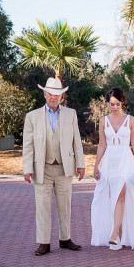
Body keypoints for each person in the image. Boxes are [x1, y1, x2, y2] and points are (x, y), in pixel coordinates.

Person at [22, 77, 85, 256]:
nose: (53, 97)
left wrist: (80, 165)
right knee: (42, 207)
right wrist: (28, 168)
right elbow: (27, 145)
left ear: (61, 96)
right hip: (43, 169)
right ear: (44, 94)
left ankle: (65, 239)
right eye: (50, 93)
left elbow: (76, 142)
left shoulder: (70, 114)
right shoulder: (32, 117)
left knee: (65, 206)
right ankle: (44, 242)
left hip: (65, 168)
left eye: (57, 94)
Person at [90, 87, 134, 250]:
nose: (115, 107)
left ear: (123, 102)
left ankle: (114, 234)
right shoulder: (103, 121)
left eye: (117, 104)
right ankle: (117, 235)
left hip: (126, 161)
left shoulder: (131, 120)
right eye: (112, 104)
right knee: (111, 198)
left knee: (120, 196)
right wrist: (96, 166)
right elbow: (102, 144)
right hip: (110, 161)